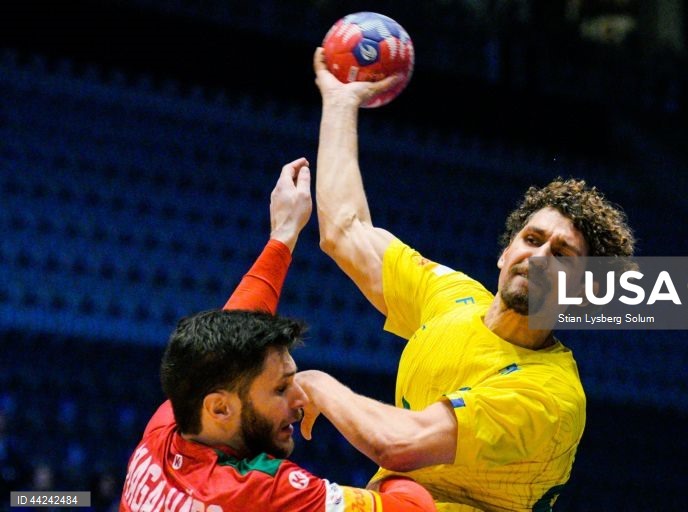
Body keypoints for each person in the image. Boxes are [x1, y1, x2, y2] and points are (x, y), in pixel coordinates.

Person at [299, 48, 636, 511]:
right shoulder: (452, 299)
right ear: (504, 253)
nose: (538, 256)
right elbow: (343, 229)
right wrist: (340, 102)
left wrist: (318, 384)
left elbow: (396, 444)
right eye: (532, 238)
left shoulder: (550, 396)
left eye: (561, 254)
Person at [119, 158, 436, 512]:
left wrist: (284, 232)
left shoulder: (167, 429)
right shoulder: (266, 492)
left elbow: (233, 330)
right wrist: (392, 449)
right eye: (281, 388)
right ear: (220, 407)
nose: (299, 400)